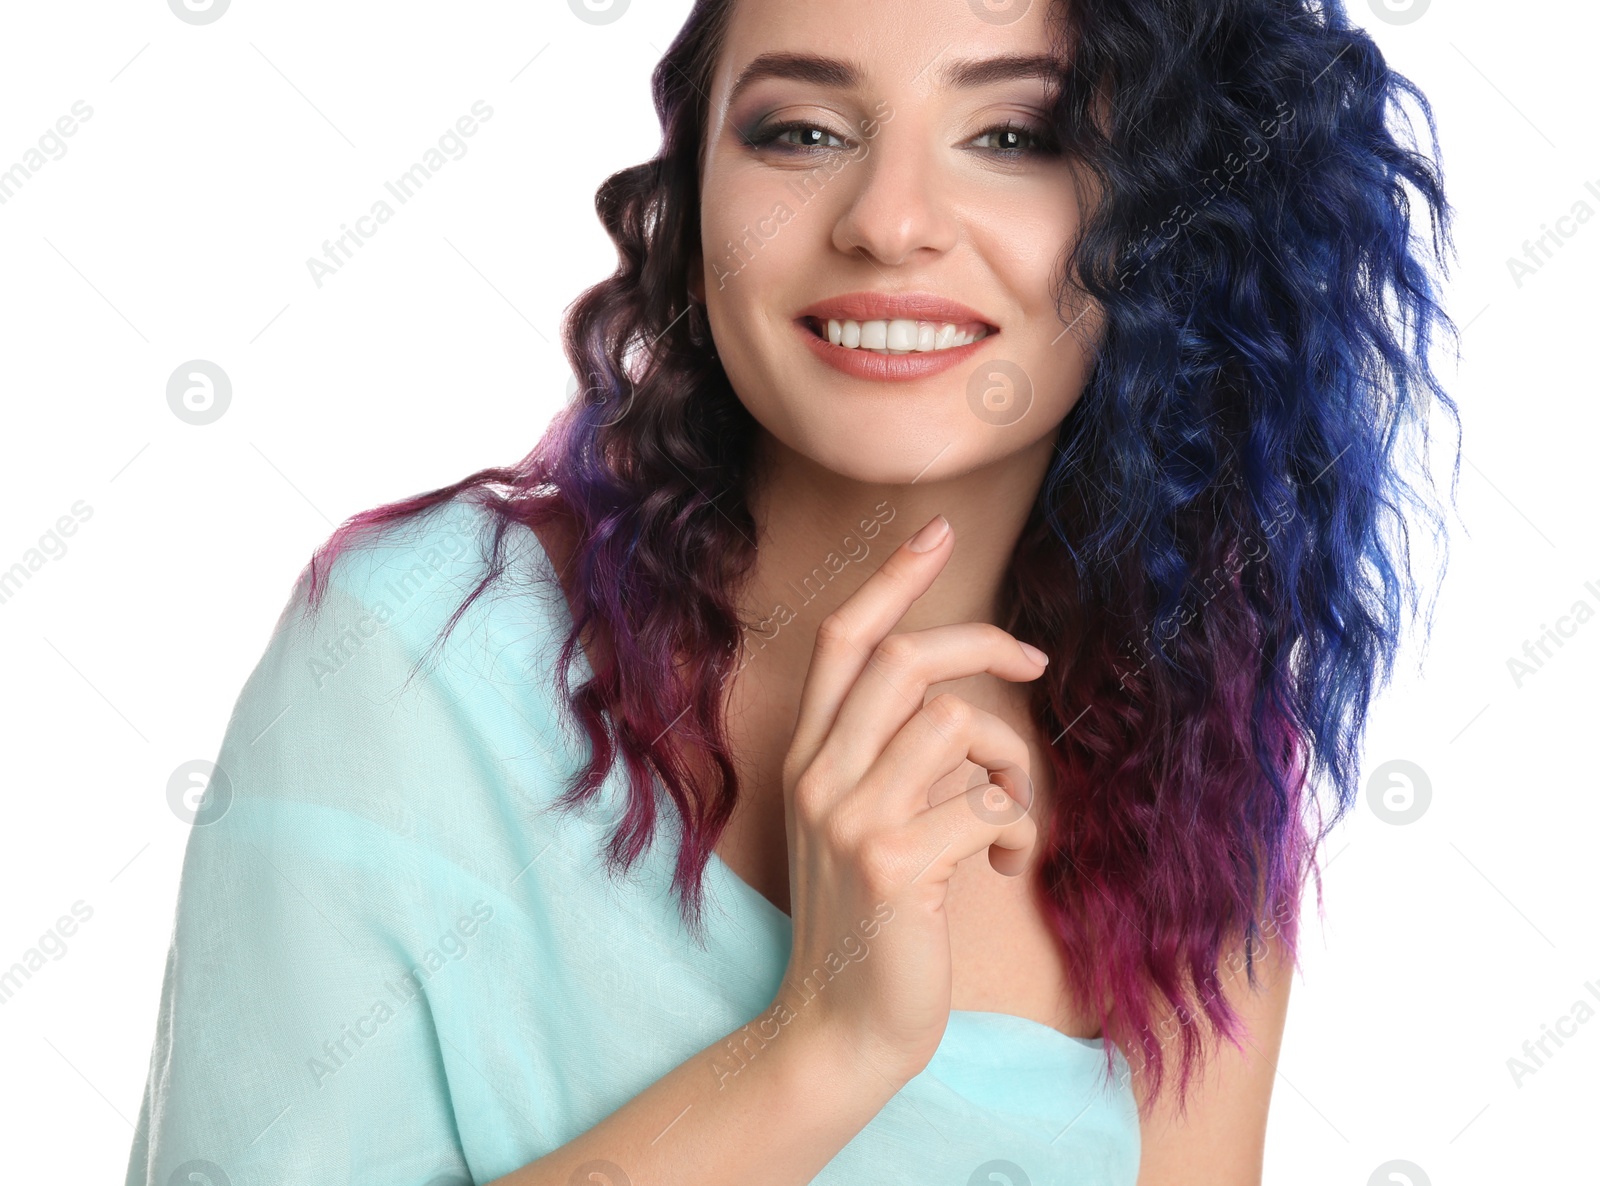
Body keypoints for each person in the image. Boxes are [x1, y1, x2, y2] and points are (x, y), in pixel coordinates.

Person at [124, 0, 1458, 1182]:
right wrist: (824, 1046)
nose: (886, 219)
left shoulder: (1192, 773)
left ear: (1171, 218)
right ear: (697, 176)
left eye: (1013, 136)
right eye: (803, 131)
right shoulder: (411, 664)